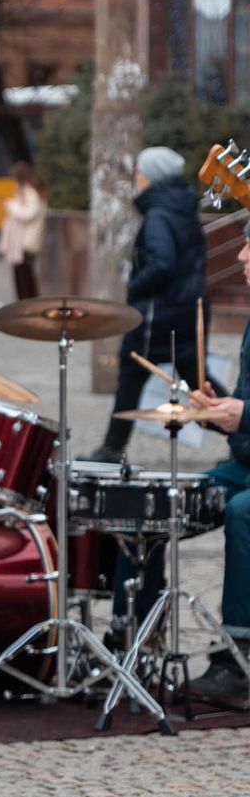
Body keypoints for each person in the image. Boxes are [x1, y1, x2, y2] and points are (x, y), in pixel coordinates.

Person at [83, 146, 209, 464]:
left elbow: (163, 264)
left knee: (134, 368)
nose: (136, 179)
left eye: (139, 173)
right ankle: (241, 433)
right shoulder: (181, 207)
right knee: (197, 381)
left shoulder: (158, 214)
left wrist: (133, 288)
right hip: (186, 308)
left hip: (159, 313)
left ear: (151, 177)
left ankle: (112, 448)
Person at [183, 232, 250, 707]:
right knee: (159, 503)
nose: (242, 255)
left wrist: (243, 413)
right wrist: (217, 407)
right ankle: (131, 645)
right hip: (244, 461)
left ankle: (236, 662)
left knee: (244, 514)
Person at [0, 160, 47, 300]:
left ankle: (27, 305)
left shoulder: (30, 191)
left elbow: (29, 213)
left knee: (24, 277)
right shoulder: (30, 189)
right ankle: (26, 303)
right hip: (24, 240)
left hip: (25, 241)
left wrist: (11, 206)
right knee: (24, 275)